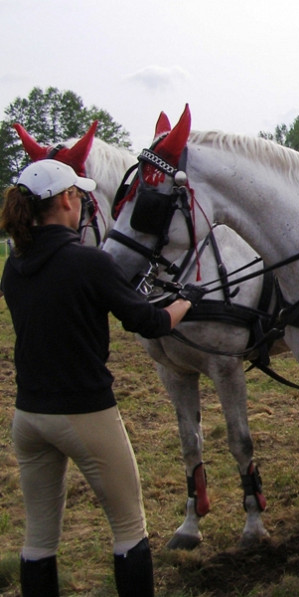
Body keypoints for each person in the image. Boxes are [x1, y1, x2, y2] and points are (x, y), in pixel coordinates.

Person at [0, 160, 204, 596]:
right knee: (130, 529)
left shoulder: (14, 267)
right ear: (65, 201)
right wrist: (187, 300)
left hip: (29, 418)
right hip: (85, 414)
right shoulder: (89, 262)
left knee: (38, 539)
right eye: (78, 196)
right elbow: (149, 321)